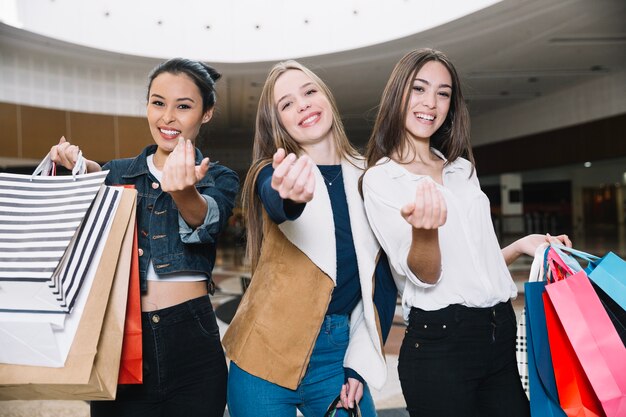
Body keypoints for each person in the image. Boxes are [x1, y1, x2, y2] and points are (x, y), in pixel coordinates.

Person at [361, 48, 572, 417]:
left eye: (443, 93)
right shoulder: (382, 179)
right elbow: (425, 275)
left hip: (498, 332)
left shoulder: (461, 169)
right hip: (442, 345)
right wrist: (424, 232)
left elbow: (471, 262)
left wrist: (520, 246)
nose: (431, 103)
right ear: (398, 94)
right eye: (419, 89)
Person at [50, 58, 239, 417]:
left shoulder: (218, 177)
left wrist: (185, 193)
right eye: (158, 102)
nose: (167, 117)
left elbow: (207, 221)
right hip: (120, 339)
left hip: (192, 341)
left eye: (183, 106)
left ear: (207, 113)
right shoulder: (116, 172)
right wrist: (77, 169)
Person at [222, 60, 397, 417]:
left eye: (309, 91)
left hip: (337, 353)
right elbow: (277, 199)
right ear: (279, 123)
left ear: (327, 98)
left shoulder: (372, 178)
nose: (302, 104)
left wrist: (359, 364)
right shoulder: (271, 172)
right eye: (286, 104)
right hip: (264, 352)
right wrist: (291, 196)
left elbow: (382, 282)